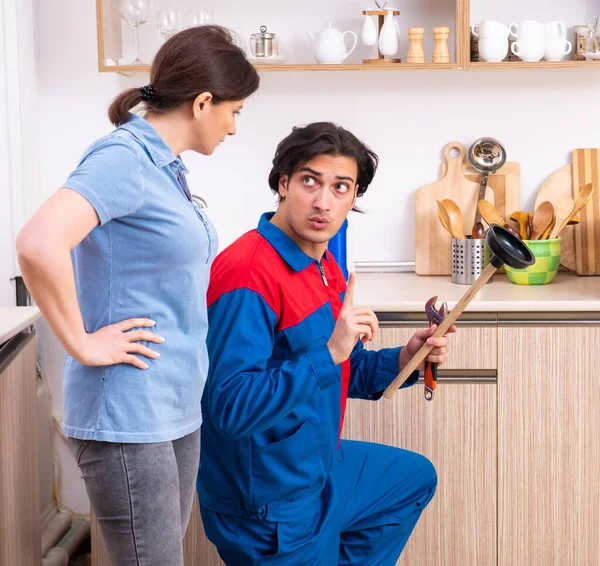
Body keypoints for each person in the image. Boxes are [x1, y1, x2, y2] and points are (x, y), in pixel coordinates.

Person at [16, 26, 259, 566]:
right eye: (234, 111)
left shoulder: (163, 168)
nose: (235, 127)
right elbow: (37, 243)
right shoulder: (122, 158)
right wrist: (82, 342)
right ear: (202, 103)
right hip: (129, 411)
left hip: (172, 402)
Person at [197, 122, 456, 564]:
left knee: (412, 479)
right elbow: (229, 408)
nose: (323, 202)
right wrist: (330, 353)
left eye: (341, 187)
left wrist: (405, 360)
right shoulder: (247, 273)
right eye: (309, 181)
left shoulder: (324, 263)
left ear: (354, 198)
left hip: (317, 470)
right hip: (267, 504)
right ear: (283, 184)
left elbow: (342, 369)